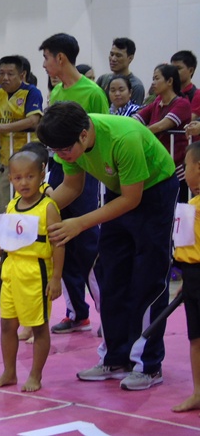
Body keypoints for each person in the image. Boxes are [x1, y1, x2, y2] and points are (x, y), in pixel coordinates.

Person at [37, 101, 179, 391]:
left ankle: (148, 365)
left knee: (148, 279)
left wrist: (79, 223)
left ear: (84, 135)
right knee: (111, 275)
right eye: (56, 151)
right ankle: (116, 358)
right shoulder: (69, 141)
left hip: (155, 191)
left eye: (65, 150)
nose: (62, 156)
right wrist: (35, 215)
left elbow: (132, 200)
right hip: (119, 192)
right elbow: (71, 187)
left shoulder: (123, 137)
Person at [39, 33, 108, 335]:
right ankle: (76, 312)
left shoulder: (92, 92)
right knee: (58, 237)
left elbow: (100, 135)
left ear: (60, 58)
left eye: (46, 58)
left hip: (87, 172)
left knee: (88, 245)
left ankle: (108, 315)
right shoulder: (56, 92)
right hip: (60, 168)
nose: (44, 64)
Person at [0, 150, 64, 392]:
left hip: (35, 272)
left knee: (39, 326)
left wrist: (56, 278)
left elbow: (59, 244)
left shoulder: (48, 207)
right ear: (10, 178)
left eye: (30, 176)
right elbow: (5, 233)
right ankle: (9, 372)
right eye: (18, 177)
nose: (24, 182)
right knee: (7, 325)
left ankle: (35, 375)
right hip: (10, 270)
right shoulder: (12, 204)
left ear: (42, 174)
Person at [0, 55, 44, 215]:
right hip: (6, 160)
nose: (5, 78)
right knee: (5, 207)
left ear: (22, 75)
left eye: (10, 74)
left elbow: (33, 120)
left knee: (29, 206)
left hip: (29, 159)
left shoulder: (32, 92)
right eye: (1, 73)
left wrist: (0, 127)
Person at [133, 63, 191, 202]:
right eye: (153, 79)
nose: (153, 83)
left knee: (178, 206)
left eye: (157, 78)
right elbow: (135, 120)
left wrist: (140, 133)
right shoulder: (156, 102)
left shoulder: (182, 103)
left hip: (177, 169)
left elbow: (162, 125)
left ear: (169, 81)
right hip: (158, 167)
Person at [172, 141, 200, 413]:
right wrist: (184, 282)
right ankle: (198, 392)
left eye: (186, 166)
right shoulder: (190, 204)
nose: (184, 171)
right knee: (196, 337)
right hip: (192, 277)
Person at [96, 37, 145, 105]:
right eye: (111, 54)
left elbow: (134, 110)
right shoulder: (103, 79)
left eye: (118, 56)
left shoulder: (136, 86)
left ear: (130, 58)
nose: (113, 59)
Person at [171, 50, 200, 120]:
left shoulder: (197, 94)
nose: (173, 72)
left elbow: (189, 120)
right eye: (172, 68)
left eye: (178, 68)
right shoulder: (166, 92)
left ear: (191, 70)